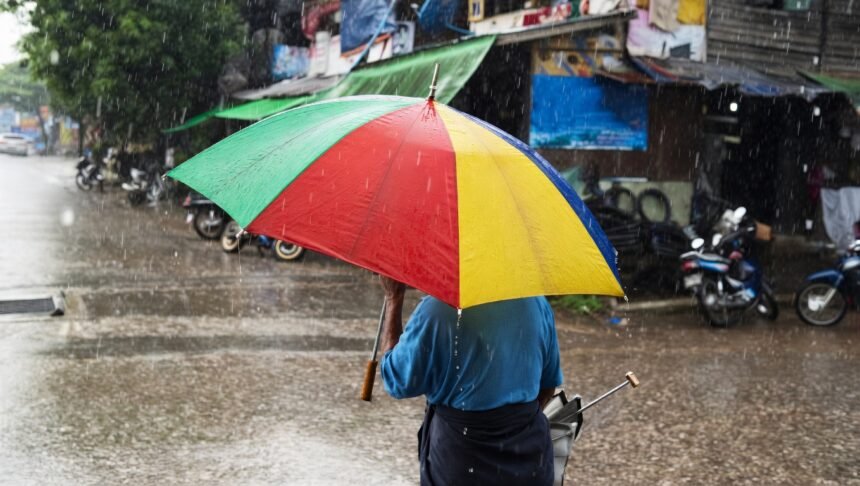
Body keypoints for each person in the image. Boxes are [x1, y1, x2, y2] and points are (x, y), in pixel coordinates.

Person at [377, 276, 563, 486]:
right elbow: (547, 386)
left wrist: (394, 298)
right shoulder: (535, 302)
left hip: (460, 461)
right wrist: (512, 425)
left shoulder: (436, 310)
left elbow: (397, 380)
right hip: (529, 461)